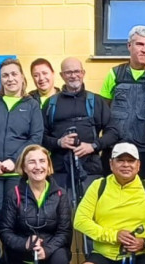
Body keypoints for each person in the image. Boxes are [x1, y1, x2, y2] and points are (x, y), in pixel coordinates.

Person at [0, 145, 76, 264]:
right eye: (31, 162)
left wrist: (47, 249)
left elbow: (65, 232)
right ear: (24, 167)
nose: (37, 166)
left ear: (49, 166)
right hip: (22, 252)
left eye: (42, 161)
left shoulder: (60, 194)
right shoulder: (14, 194)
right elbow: (5, 231)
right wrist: (25, 243)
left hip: (51, 249)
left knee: (60, 258)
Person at [0, 58, 44, 242]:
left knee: (15, 221)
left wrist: (15, 160)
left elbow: (35, 138)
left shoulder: (32, 105)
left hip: (17, 174)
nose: (10, 79)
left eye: (14, 74)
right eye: (5, 75)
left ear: (22, 77)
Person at [41, 57, 117, 200]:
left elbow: (113, 132)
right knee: (62, 214)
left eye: (77, 71)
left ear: (83, 73)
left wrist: (93, 146)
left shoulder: (96, 101)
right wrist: (59, 142)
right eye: (68, 72)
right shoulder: (51, 104)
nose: (73, 75)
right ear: (61, 75)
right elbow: (40, 136)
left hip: (90, 170)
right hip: (59, 172)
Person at [101, 26, 145, 182]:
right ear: (129, 46)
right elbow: (103, 112)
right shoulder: (114, 74)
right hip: (116, 150)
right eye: (139, 44)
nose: (144, 50)